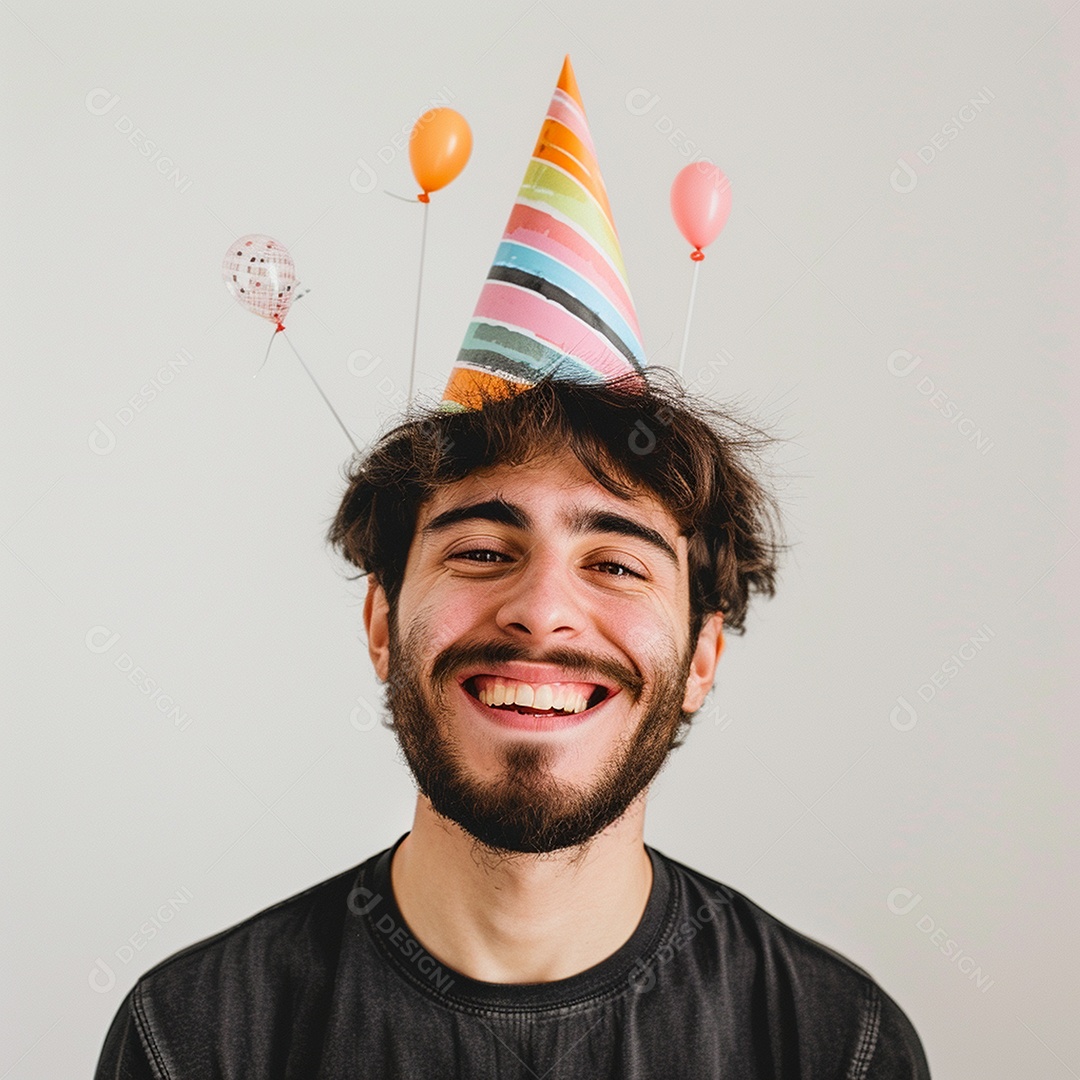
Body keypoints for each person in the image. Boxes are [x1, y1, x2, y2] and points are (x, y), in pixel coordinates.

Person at [95, 58, 930, 1079]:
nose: (542, 612)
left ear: (703, 656)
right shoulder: (193, 1041)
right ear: (381, 622)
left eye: (615, 565)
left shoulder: (835, 1046)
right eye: (484, 551)